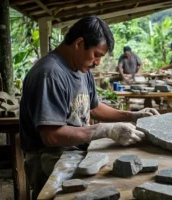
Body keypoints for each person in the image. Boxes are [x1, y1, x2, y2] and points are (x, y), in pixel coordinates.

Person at [20, 16, 159, 199]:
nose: (98, 62)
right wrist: (103, 130)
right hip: (49, 156)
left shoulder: (82, 69)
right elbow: (51, 136)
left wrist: (132, 115)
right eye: (97, 54)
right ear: (79, 43)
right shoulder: (50, 74)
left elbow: (93, 107)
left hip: (77, 149)